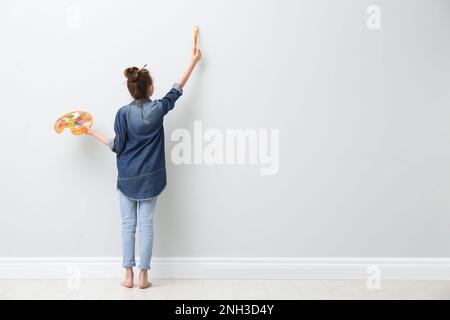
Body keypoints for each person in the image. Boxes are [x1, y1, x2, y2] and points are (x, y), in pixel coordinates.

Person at [86, 47, 202, 289]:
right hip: (151, 179)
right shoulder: (158, 109)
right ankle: (143, 277)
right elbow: (176, 90)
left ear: (131, 89)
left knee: (128, 225)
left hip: (127, 178)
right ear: (150, 89)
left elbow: (117, 146)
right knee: (146, 225)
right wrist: (192, 61)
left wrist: (92, 132)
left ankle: (127, 274)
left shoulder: (122, 114)